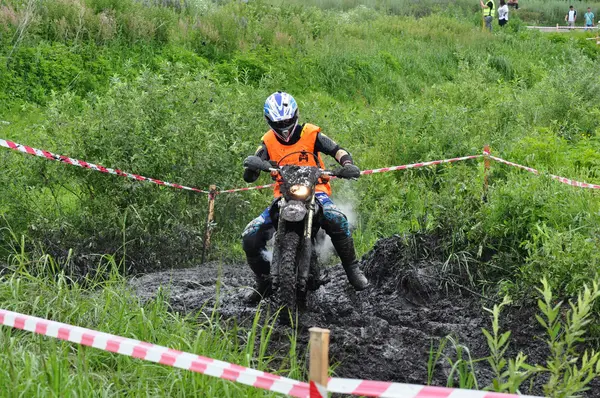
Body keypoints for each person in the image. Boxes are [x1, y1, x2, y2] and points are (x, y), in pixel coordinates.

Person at [241, 91, 369, 304]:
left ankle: (353, 270)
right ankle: (263, 281)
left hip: (317, 191)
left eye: (288, 121)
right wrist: (252, 167)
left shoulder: (311, 133)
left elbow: (337, 150)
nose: (284, 127)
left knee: (336, 218)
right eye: (278, 122)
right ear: (269, 121)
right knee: (250, 236)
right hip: (283, 195)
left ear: (296, 115)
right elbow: (253, 167)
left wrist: (347, 164)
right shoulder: (267, 141)